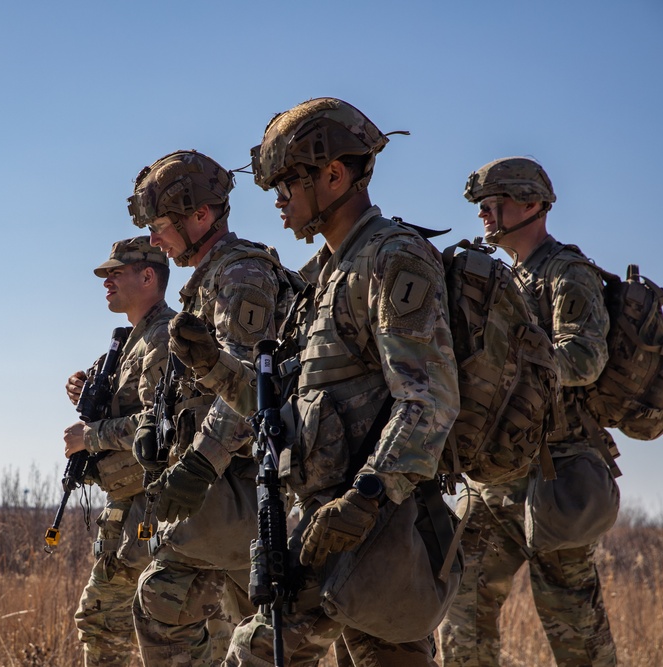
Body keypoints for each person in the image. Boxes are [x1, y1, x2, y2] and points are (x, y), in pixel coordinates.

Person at [173, 98, 461, 666]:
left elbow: (429, 398)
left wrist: (367, 498)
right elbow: (280, 405)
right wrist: (213, 365)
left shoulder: (392, 259)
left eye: (288, 184)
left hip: (377, 527)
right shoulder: (321, 279)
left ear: (334, 175)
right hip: (318, 523)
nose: (278, 200)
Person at [438, 157, 618, 667]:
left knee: (574, 627)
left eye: (494, 205)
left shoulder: (568, 272)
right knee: (460, 608)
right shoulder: (504, 277)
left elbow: (586, 357)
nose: (485, 216)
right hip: (495, 475)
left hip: (557, 473)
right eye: (482, 208)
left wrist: (513, 369)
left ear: (533, 204)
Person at [126, 149, 297, 666]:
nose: (155, 241)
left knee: (167, 600)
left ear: (202, 215)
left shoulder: (241, 275)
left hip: (245, 487)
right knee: (259, 636)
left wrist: (197, 466)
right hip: (228, 491)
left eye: (162, 226)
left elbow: (246, 387)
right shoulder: (211, 280)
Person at [63, 236, 176, 667]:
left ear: (149, 276)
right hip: (126, 509)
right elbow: (115, 401)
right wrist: (80, 386)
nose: (106, 282)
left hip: (153, 511)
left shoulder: (165, 336)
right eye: (105, 275)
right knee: (103, 621)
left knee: (125, 626)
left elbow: (162, 425)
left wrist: (89, 438)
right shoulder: (130, 341)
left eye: (117, 273)